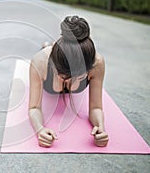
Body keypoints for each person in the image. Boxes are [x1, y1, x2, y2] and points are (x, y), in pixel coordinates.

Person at [28, 15, 109, 148]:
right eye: (64, 76)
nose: (70, 81)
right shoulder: (40, 62)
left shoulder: (97, 63)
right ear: (54, 66)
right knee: (44, 49)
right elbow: (34, 107)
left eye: (79, 77)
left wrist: (100, 126)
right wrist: (40, 130)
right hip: (47, 55)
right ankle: (47, 45)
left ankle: (50, 44)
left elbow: (96, 107)